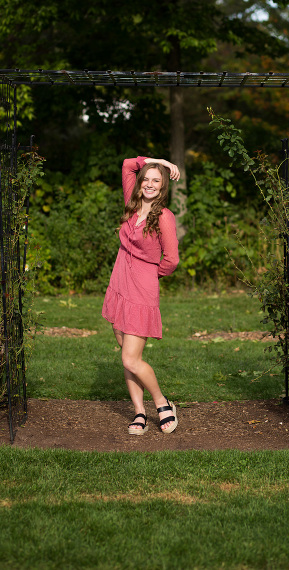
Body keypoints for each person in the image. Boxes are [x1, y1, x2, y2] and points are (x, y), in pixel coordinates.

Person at [101, 156, 181, 436]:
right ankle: (139, 411)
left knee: (130, 359)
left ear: (162, 188)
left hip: (142, 288)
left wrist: (150, 274)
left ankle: (162, 403)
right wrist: (159, 161)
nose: (148, 184)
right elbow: (126, 164)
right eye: (146, 179)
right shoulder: (131, 204)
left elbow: (171, 260)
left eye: (156, 181)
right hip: (119, 282)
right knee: (126, 354)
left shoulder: (164, 217)